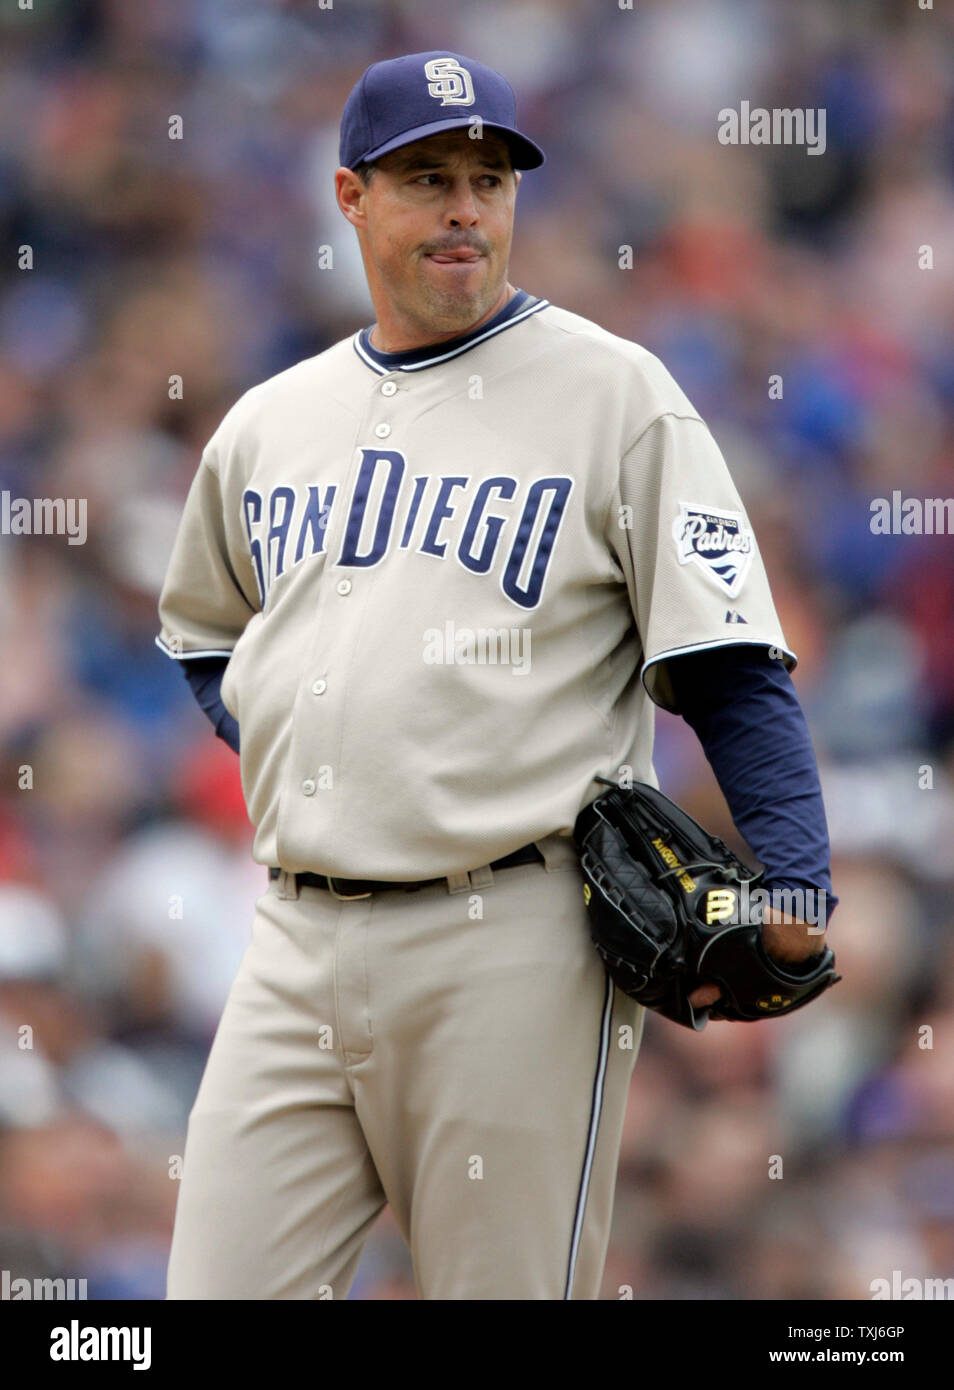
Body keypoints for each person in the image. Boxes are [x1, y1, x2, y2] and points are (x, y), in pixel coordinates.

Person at [156, 51, 837, 1301]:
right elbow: (206, 638)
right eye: (428, 178)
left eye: (489, 178)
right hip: (295, 935)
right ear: (353, 198)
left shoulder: (616, 393)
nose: (467, 207)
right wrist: (328, 758)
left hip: (510, 941)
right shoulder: (270, 421)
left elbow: (732, 663)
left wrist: (796, 878)